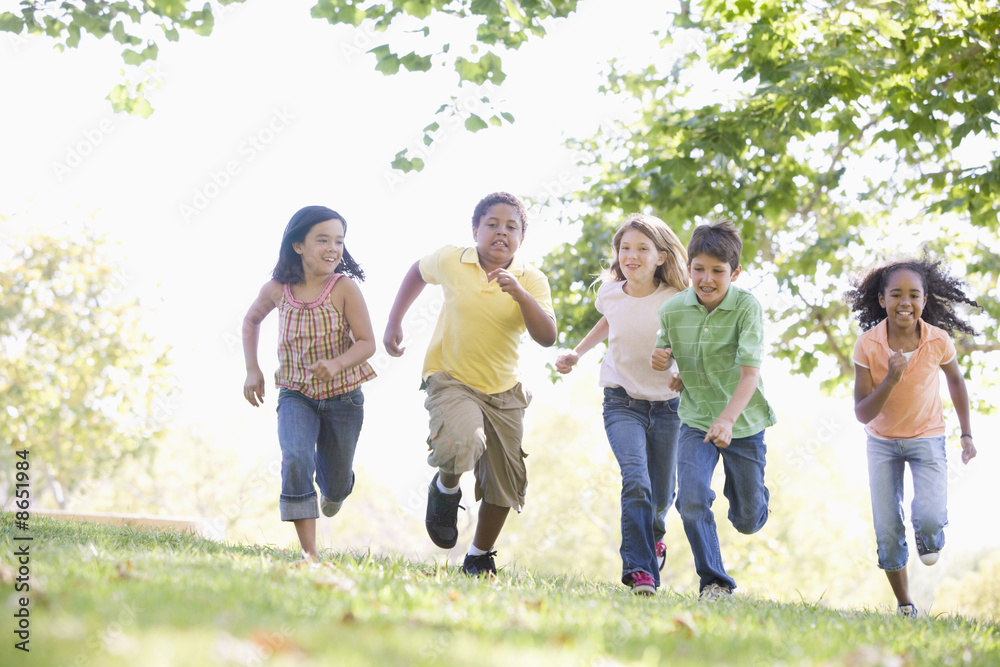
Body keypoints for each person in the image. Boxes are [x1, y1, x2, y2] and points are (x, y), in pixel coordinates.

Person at [383, 192, 557, 576]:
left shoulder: (532, 279)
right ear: (475, 230)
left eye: (511, 227)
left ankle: (478, 556)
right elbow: (416, 271)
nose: (501, 232)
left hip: (505, 390)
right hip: (451, 377)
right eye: (492, 224)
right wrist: (394, 321)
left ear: (521, 239)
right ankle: (446, 489)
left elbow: (547, 336)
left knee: (507, 481)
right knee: (462, 441)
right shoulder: (451, 259)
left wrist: (521, 294)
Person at [555, 213, 689, 595]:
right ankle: (640, 570)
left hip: (667, 407)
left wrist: (680, 368)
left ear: (661, 257)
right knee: (636, 481)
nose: (631, 255)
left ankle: (655, 535)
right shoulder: (611, 292)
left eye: (642, 249)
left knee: (662, 496)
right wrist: (578, 353)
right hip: (621, 401)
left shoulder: (677, 299)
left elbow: (690, 342)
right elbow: (609, 321)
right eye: (624, 248)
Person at [242, 205, 377, 563]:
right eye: (323, 240)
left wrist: (336, 363)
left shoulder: (344, 288)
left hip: (343, 398)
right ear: (298, 245)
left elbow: (367, 343)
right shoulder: (277, 289)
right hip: (295, 394)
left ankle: (338, 487)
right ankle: (310, 553)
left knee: (332, 485)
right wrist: (252, 369)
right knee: (296, 457)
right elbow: (251, 321)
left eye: (339, 241)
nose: (333, 248)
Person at [650, 219, 776, 601]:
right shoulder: (673, 310)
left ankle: (749, 498)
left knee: (748, 521)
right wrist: (669, 368)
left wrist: (728, 419)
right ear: (688, 268)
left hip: (744, 422)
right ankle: (715, 581)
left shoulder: (746, 308)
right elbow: (671, 354)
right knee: (689, 499)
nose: (707, 279)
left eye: (717, 271)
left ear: (734, 273)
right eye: (699, 269)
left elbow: (750, 374)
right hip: (696, 420)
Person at [847, 258, 979, 617]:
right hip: (882, 443)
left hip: (927, 437)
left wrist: (966, 434)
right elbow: (862, 413)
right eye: (896, 294)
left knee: (933, 524)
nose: (905, 302)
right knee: (888, 529)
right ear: (881, 301)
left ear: (924, 300)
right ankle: (906, 605)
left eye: (913, 295)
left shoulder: (938, 340)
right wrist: (890, 378)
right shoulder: (868, 345)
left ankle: (927, 532)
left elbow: (955, 381)